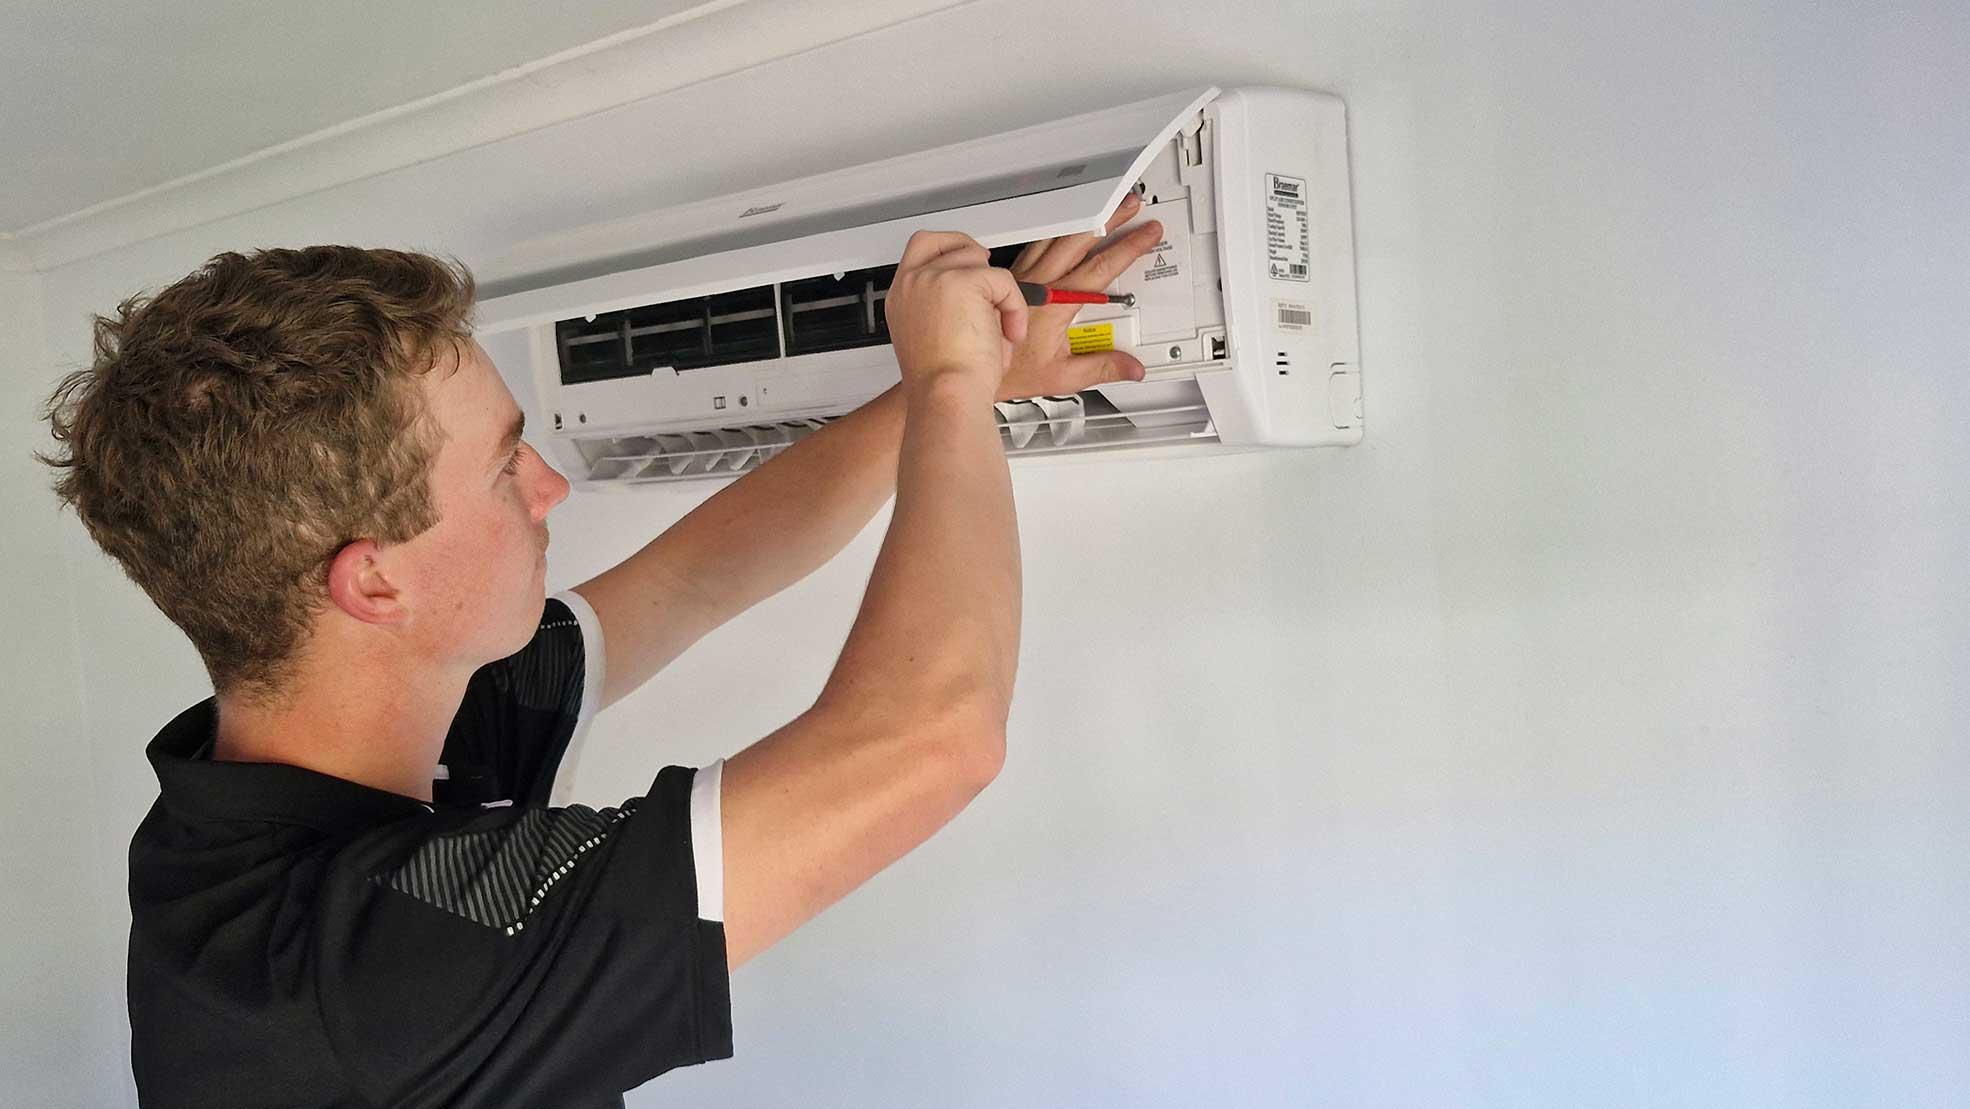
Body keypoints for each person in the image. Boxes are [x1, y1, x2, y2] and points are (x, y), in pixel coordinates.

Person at [38, 194, 1162, 1107]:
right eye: (503, 466)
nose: (551, 488)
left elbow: (698, 573)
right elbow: (928, 739)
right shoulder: (369, 961)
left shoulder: (350, 746)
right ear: (372, 578)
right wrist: (958, 388)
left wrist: (946, 391)